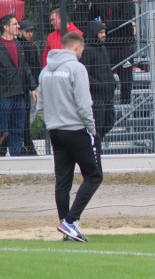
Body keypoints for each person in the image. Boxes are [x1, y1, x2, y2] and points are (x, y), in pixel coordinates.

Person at [37, 31, 102, 242]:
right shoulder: (76, 68)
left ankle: (67, 228)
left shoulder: (45, 71)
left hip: (55, 131)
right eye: (81, 49)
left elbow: (40, 107)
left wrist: (52, 122)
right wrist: (91, 129)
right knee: (93, 176)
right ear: (76, 47)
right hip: (76, 130)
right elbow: (84, 104)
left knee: (63, 181)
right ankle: (70, 221)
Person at [90, 0, 136, 104]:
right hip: (106, 46)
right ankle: (107, 106)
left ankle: (126, 109)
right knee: (105, 79)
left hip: (125, 46)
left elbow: (125, 18)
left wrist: (104, 25)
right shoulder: (98, 1)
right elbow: (91, 20)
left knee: (126, 80)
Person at [0, 14, 38, 157]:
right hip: (4, 95)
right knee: (2, 128)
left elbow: (25, 68)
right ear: (6, 27)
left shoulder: (19, 45)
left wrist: (33, 87)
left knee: (18, 128)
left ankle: (16, 159)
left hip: (19, 94)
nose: (18, 27)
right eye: (15, 24)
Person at [79, 21, 117, 140]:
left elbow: (107, 68)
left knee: (109, 121)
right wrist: (99, 86)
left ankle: (97, 145)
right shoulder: (87, 50)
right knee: (97, 126)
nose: (104, 35)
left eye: (104, 32)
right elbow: (85, 74)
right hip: (96, 97)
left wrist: (112, 83)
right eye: (101, 32)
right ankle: (96, 149)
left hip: (107, 95)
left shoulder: (103, 48)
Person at [17, 20, 40, 154]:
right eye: (27, 31)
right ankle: (29, 148)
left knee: (27, 119)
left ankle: (27, 147)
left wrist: (35, 86)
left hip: (30, 88)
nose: (30, 34)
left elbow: (36, 68)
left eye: (31, 31)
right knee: (22, 120)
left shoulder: (31, 47)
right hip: (22, 88)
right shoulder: (19, 46)